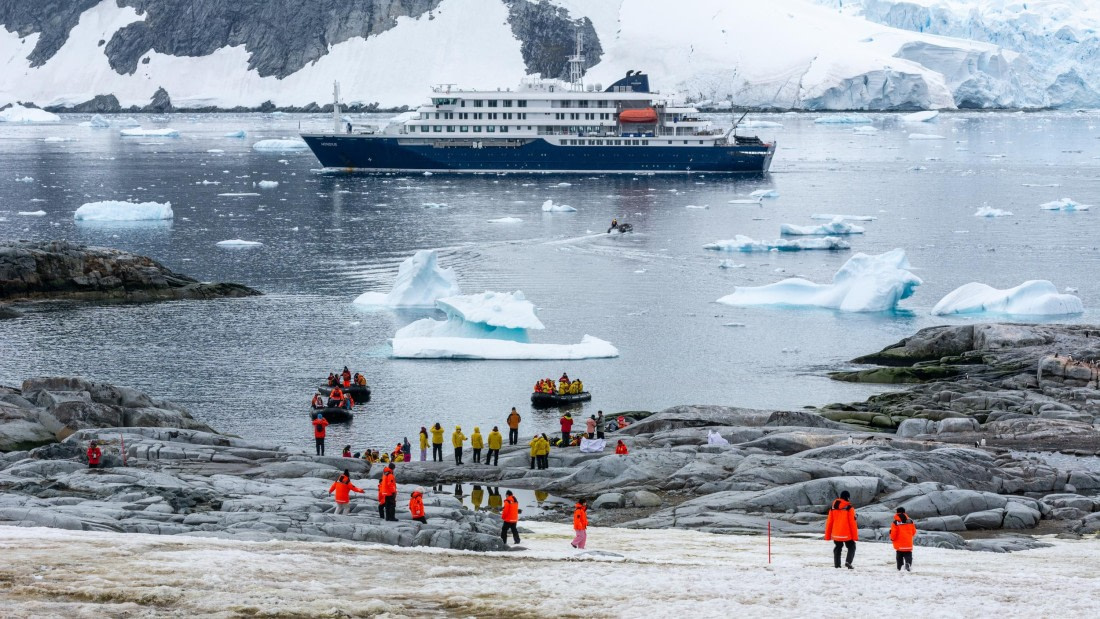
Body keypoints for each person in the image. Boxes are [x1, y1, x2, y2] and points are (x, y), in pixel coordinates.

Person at [824, 490, 859, 569]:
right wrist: (855, 537)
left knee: (838, 547)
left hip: (836, 533)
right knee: (852, 546)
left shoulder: (833, 508)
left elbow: (829, 522)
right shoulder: (849, 508)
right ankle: (848, 562)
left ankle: (837, 565)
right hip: (846, 534)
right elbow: (852, 523)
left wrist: (827, 536)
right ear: (847, 498)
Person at [890, 507, 916, 572]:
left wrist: (892, 538)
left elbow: (893, 533)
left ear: (897, 512)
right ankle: (908, 564)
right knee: (908, 555)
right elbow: (914, 532)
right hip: (908, 543)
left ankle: (899, 567)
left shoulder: (895, 522)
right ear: (904, 512)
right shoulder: (910, 521)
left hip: (899, 544)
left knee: (899, 556)